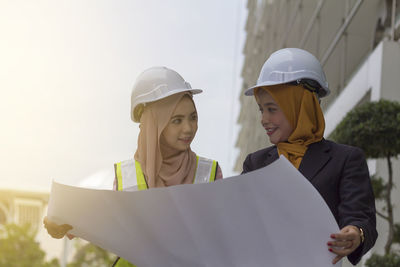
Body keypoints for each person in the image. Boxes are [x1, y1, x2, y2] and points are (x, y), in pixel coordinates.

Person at [43, 66, 223, 266]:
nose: (188, 128)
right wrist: (63, 222)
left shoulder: (210, 172)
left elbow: (224, 233)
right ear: (153, 124)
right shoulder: (125, 176)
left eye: (193, 117)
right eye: (176, 120)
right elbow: (103, 224)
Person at [241, 48, 377, 265]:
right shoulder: (255, 164)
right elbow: (240, 221)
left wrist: (355, 233)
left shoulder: (345, 159)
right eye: (261, 109)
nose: (264, 119)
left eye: (272, 109)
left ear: (302, 107)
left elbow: (360, 216)